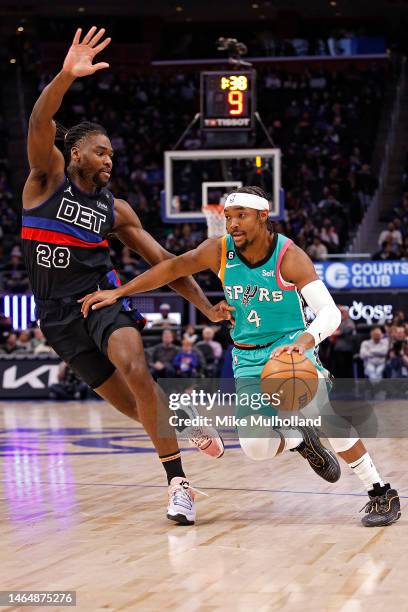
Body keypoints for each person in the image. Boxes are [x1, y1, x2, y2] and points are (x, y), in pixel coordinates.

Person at [81, 186, 401, 527]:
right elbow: (170, 269)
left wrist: (305, 342)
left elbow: (329, 313)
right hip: (247, 357)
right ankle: (298, 439)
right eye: (229, 217)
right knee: (256, 447)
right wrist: (120, 290)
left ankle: (380, 492)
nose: (232, 224)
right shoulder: (218, 250)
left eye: (241, 216)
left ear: (263, 216)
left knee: (322, 413)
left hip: (288, 346)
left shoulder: (289, 256)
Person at [21, 26, 231, 526]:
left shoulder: (115, 211)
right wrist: (66, 76)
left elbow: (168, 264)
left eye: (113, 154)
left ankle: (177, 484)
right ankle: (180, 420)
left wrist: (207, 306)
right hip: (56, 319)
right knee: (133, 405)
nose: (109, 159)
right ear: (75, 153)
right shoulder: (45, 179)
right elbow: (39, 118)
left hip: (103, 301)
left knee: (138, 371)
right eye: (102, 151)